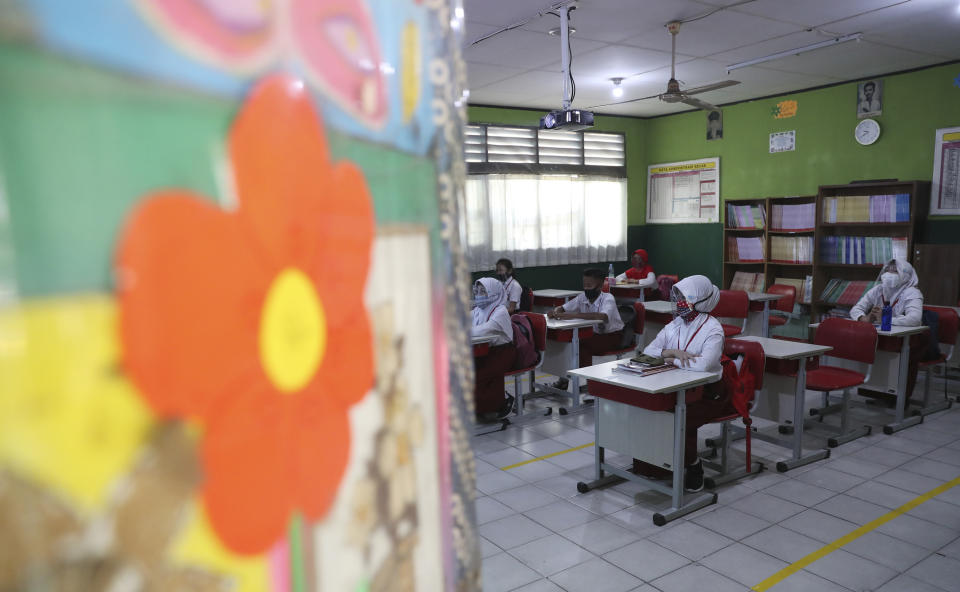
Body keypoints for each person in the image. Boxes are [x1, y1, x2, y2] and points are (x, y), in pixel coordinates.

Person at [641, 275, 726, 492]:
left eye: (683, 298)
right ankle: (658, 464)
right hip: (677, 387)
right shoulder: (675, 324)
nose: (678, 302)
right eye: (676, 296)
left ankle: (693, 466)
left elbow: (704, 365)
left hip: (710, 393)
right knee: (653, 411)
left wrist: (669, 360)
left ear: (698, 300)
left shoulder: (713, 329)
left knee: (679, 419)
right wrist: (671, 353)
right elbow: (648, 351)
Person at [851, 258, 926, 403]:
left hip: (907, 341)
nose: (889, 274)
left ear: (905, 275)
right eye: (887, 270)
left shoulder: (912, 292)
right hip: (882, 338)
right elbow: (856, 309)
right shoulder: (879, 289)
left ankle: (898, 398)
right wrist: (864, 318)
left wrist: (885, 319)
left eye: (895, 271)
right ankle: (878, 391)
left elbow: (915, 319)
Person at [548, 268, 624, 389]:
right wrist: (555, 311)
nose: (586, 288)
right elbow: (563, 308)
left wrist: (571, 315)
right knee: (570, 342)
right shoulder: (582, 297)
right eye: (584, 285)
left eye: (589, 285)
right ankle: (565, 379)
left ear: (599, 287)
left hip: (613, 337)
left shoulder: (608, 298)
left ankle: (589, 385)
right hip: (594, 336)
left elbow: (602, 316)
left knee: (578, 344)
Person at [471, 277, 516, 419]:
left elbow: (484, 330)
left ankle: (500, 404)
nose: (479, 294)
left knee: (479, 376)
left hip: (503, 353)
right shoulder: (479, 309)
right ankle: (479, 407)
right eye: (477, 290)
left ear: (494, 293)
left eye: (483, 291)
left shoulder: (501, 311)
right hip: (485, 351)